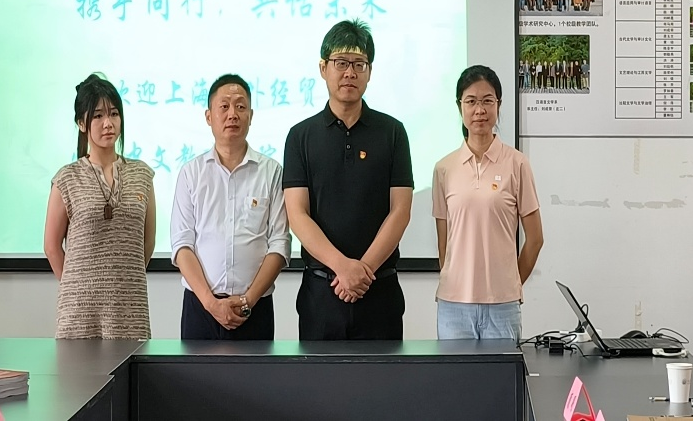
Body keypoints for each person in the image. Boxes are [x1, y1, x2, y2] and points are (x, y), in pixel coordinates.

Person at [282, 19, 414, 340]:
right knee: (319, 376)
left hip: (379, 290)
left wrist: (362, 271)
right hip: (320, 294)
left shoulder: (393, 132)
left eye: (359, 64)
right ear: (323, 68)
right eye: (341, 63)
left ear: (370, 71)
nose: (350, 73)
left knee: (384, 376)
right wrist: (343, 267)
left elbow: (400, 210)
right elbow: (297, 214)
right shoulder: (300, 136)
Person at [170, 74, 291, 340]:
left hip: (255, 308)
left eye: (240, 106)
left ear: (251, 115)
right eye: (224, 106)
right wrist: (211, 303)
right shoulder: (191, 173)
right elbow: (182, 244)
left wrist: (248, 300)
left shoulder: (271, 172)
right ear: (208, 116)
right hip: (200, 307)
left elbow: (279, 243)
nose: (232, 114)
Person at [431, 65, 544, 341]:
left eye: (487, 101)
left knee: (501, 371)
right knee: (455, 372)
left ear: (498, 105)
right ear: (460, 106)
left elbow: (535, 238)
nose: (479, 110)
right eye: (471, 101)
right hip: (453, 305)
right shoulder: (444, 168)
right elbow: (444, 241)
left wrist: (510, 284)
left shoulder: (517, 164)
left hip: (502, 307)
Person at [43, 74, 156, 339]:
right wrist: (77, 286)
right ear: (81, 123)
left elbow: (147, 241)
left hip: (130, 309)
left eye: (114, 114)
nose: (108, 123)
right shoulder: (67, 178)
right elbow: (51, 246)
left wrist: (123, 279)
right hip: (79, 315)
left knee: (134, 365)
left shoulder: (142, 174)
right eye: (97, 116)